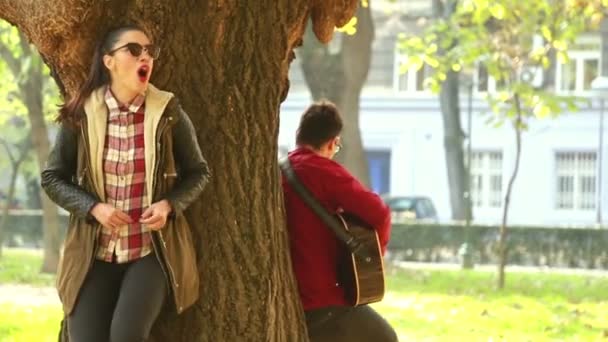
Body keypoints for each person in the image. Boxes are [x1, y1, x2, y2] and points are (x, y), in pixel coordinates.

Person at [41, 25, 210, 342]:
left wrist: (169, 205)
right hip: (94, 252)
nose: (144, 56)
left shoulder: (168, 111)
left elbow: (199, 172)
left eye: (149, 51)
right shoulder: (82, 113)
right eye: (134, 50)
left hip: (150, 251)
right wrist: (93, 208)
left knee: (126, 336)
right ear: (109, 61)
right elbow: (52, 177)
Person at [281, 101, 398, 341]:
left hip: (287, 296)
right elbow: (379, 213)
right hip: (324, 299)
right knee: (385, 338)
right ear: (332, 142)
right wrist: (372, 257)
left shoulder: (279, 171)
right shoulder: (323, 171)